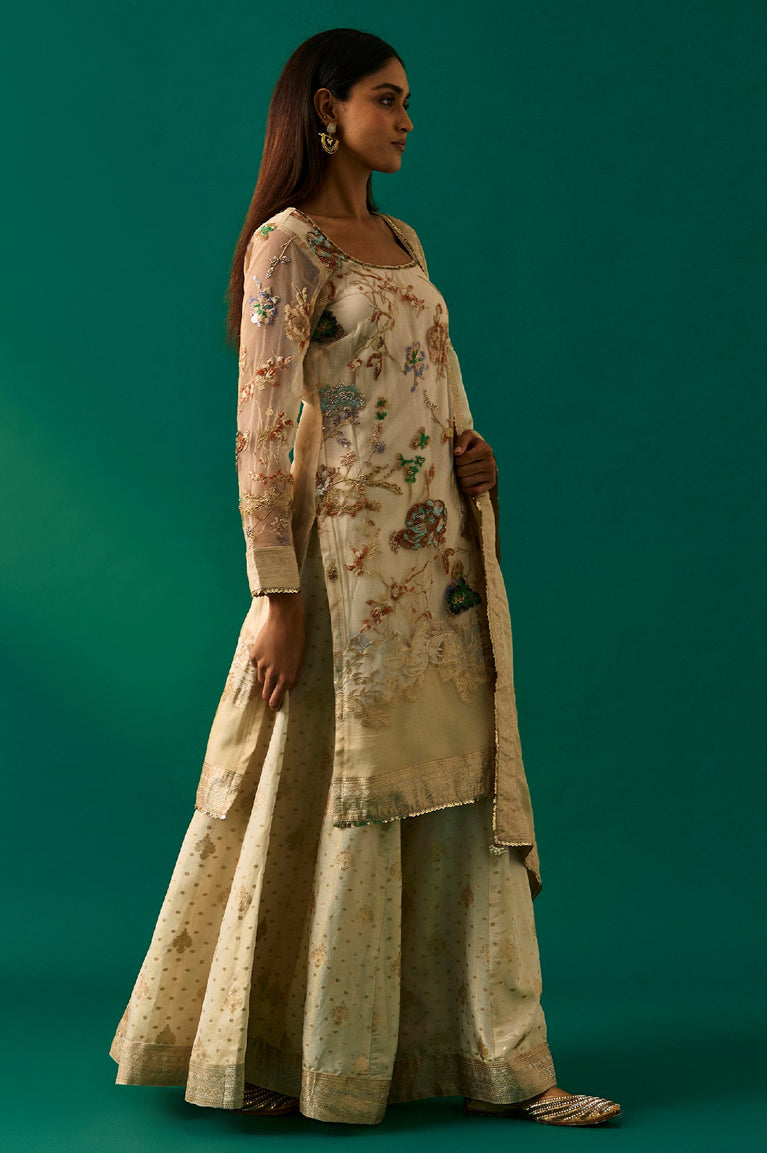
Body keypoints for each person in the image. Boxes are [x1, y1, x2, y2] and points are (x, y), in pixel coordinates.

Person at [108, 28, 621, 1128]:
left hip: (435, 568)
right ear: (325, 109)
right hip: (341, 577)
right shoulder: (286, 247)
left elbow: (436, 384)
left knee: (463, 792)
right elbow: (259, 432)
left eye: (407, 102)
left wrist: (473, 456)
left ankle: (499, 1059)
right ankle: (296, 1053)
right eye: (386, 100)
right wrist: (276, 597)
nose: (406, 121)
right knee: (331, 787)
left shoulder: (400, 239)